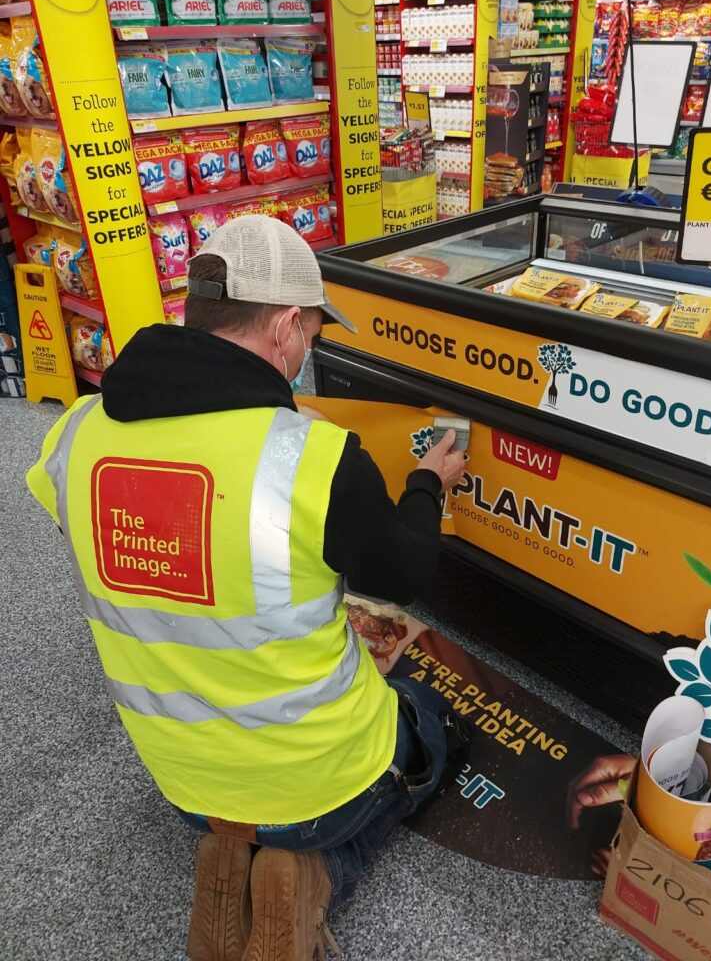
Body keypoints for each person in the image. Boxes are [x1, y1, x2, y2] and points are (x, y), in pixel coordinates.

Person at [27, 215, 467, 961]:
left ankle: (228, 860)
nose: (307, 352)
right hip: (316, 783)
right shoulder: (316, 461)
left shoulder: (74, 434)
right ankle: (315, 876)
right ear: (285, 328)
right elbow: (403, 578)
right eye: (313, 338)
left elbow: (127, 543)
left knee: (236, 801)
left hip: (182, 781)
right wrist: (427, 485)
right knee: (429, 725)